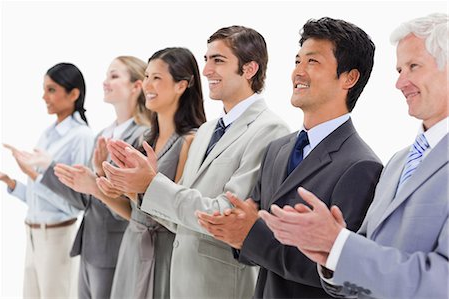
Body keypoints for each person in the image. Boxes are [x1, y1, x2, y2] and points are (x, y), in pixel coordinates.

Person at [260, 13, 448, 299]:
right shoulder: (398, 162)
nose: (400, 83)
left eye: (413, 66)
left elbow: (441, 283)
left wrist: (339, 246)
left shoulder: (364, 163)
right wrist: (329, 254)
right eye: (399, 70)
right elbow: (361, 267)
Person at [196, 17, 384, 298]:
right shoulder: (277, 149)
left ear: (349, 77)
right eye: (298, 61)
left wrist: (250, 235)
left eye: (313, 62)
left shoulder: (361, 166)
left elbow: (337, 274)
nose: (299, 72)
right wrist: (236, 230)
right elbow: (250, 245)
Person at [103, 25, 290, 298]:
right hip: (180, 282)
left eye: (218, 60)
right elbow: (178, 218)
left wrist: (152, 183)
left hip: (220, 285)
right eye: (206, 60)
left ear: (249, 69)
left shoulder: (270, 129)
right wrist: (139, 188)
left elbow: (224, 215)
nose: (206, 71)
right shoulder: (205, 131)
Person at [94, 47, 206, 299]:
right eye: (146, 76)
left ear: (181, 85)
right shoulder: (145, 139)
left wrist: (134, 190)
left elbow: (178, 216)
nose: (147, 85)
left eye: (157, 78)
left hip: (163, 253)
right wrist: (110, 187)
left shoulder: (190, 141)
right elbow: (136, 213)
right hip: (132, 245)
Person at [37, 56, 151, 299]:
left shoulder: (143, 137)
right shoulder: (102, 134)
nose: (105, 82)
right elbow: (85, 201)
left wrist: (98, 176)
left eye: (114, 76)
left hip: (114, 248)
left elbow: (134, 207)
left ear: (136, 86)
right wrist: (50, 173)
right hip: (90, 246)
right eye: (106, 75)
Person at [0, 62, 94, 298]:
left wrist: (33, 174)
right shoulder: (48, 134)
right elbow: (39, 196)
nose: (44, 96)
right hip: (33, 233)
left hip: (57, 238)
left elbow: (76, 202)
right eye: (44, 89)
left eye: (51, 90)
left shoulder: (81, 137)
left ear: (74, 94)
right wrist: (11, 182)